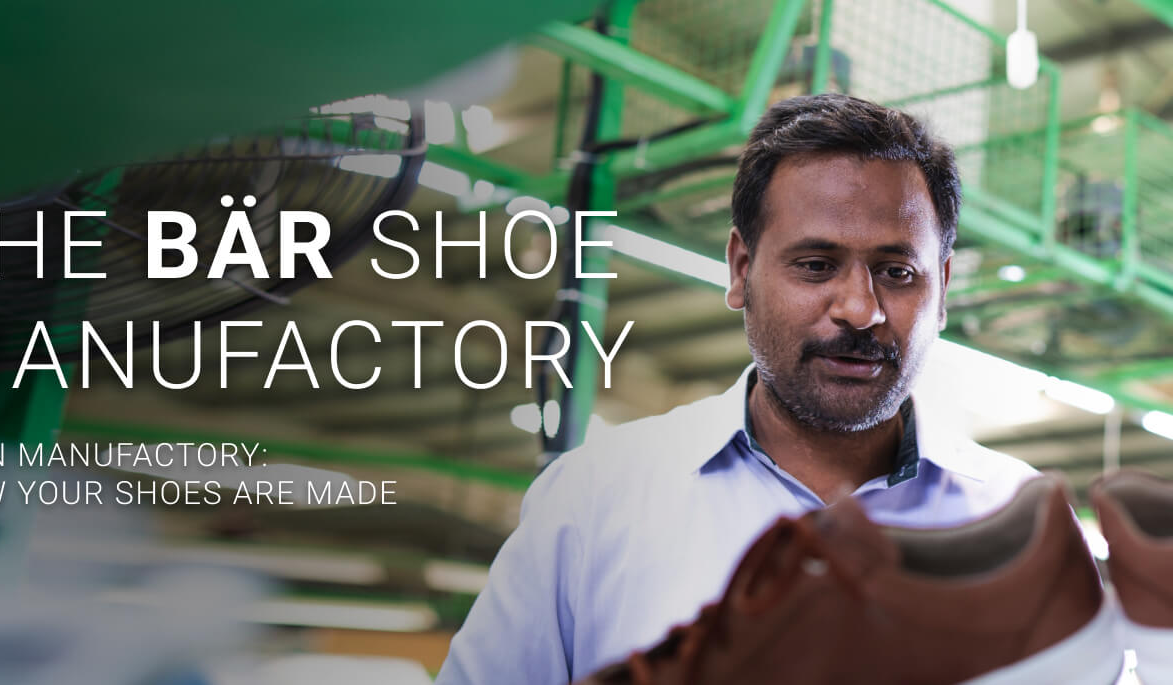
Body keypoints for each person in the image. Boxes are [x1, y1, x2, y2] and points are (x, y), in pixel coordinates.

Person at [435, 93, 1038, 684]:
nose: (860, 309)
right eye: (815, 265)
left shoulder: (1022, 526)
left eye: (897, 273)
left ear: (944, 290)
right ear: (741, 269)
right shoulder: (594, 502)